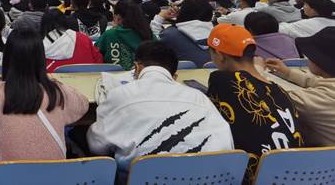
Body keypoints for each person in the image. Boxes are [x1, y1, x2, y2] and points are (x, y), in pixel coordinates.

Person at [87, 41, 233, 177]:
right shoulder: (200, 98)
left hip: (142, 178)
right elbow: (227, 145)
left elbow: (96, 145)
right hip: (208, 177)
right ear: (174, 76)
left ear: (137, 68)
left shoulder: (120, 94)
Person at [0, 29, 89, 184]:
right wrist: (54, 83)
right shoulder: (57, 93)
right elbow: (83, 104)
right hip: (53, 180)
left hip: (8, 180)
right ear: (41, 59)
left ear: (8, 58)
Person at [206, 24, 304, 183]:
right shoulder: (280, 91)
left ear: (220, 55)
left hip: (255, 178)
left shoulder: (221, 80)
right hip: (299, 176)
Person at [265, 27, 335, 147]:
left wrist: (254, 70)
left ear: (319, 59)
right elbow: (318, 82)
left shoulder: (316, 100)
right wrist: (287, 72)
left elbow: (273, 96)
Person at [152, 0, 214, 68]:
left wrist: (159, 18)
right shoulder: (218, 33)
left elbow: (153, 46)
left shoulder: (170, 35)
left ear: (183, 12)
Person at [97, 0, 154, 70]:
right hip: (144, 75)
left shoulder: (109, 34)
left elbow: (94, 54)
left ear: (118, 17)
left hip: (113, 75)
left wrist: (113, 29)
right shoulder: (148, 33)